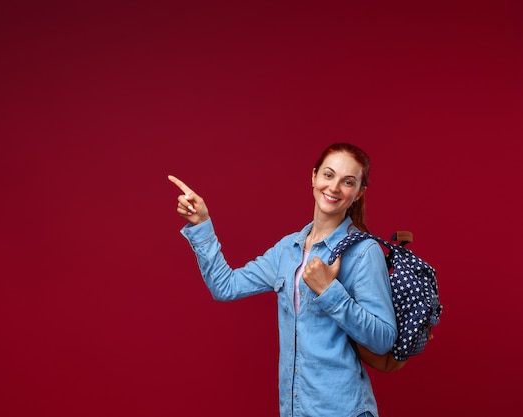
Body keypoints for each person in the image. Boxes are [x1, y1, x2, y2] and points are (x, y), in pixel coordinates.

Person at [168, 142, 397, 417]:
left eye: (347, 182)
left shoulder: (363, 252)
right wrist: (202, 224)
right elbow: (225, 286)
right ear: (313, 177)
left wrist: (328, 291)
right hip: (295, 409)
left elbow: (383, 339)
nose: (334, 187)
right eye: (328, 175)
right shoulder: (288, 250)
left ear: (359, 193)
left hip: (343, 410)